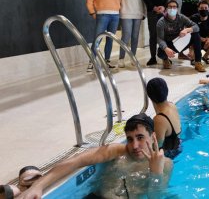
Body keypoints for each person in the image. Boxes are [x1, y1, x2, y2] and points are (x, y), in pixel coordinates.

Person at [18, 114, 172, 199]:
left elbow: (155, 196)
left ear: (152, 137)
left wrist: (156, 173)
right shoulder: (117, 151)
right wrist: (39, 186)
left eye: (140, 137)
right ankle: (33, 183)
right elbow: (77, 160)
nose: (134, 146)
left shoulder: (165, 164)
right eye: (130, 139)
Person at [86, 0, 122, 72]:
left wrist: (118, 10)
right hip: (102, 15)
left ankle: (107, 60)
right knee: (97, 39)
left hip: (115, 15)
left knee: (110, 40)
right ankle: (92, 61)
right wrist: (92, 12)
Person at [156, 0, 206, 72]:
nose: (172, 9)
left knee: (196, 34)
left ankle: (198, 62)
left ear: (177, 8)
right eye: (170, 7)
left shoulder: (181, 17)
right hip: (169, 45)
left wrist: (187, 30)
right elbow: (160, 39)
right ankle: (165, 60)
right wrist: (166, 48)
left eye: (174, 7)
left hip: (180, 42)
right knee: (160, 53)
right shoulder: (161, 22)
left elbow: (196, 27)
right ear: (166, 9)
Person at [117, 0, 146, 68]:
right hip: (125, 10)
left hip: (138, 11)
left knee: (135, 36)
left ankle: (133, 57)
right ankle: (121, 58)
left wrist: (144, 12)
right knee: (126, 35)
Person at [146, 77, 182, 159]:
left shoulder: (159, 119)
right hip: (179, 146)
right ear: (167, 91)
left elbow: (156, 147)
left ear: (150, 96)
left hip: (169, 156)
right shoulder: (172, 106)